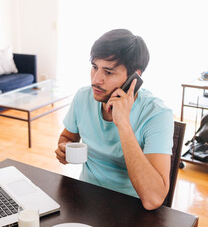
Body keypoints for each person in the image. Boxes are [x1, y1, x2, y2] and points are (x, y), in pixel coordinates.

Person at [55, 29, 174, 210]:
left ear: (135, 77)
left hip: (131, 209)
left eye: (108, 72)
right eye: (95, 67)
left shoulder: (157, 114)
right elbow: (68, 137)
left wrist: (123, 124)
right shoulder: (82, 97)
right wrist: (64, 149)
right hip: (85, 200)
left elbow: (153, 199)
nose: (96, 80)